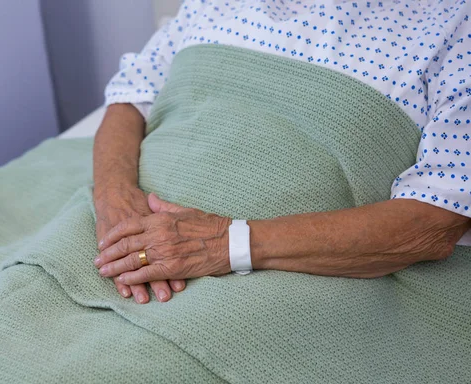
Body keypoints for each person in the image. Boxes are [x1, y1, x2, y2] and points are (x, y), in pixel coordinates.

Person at [92, 0, 471, 304]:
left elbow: (434, 219)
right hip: (125, 239)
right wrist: (113, 198)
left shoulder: (455, 23)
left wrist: (229, 244)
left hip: (290, 276)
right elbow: (131, 94)